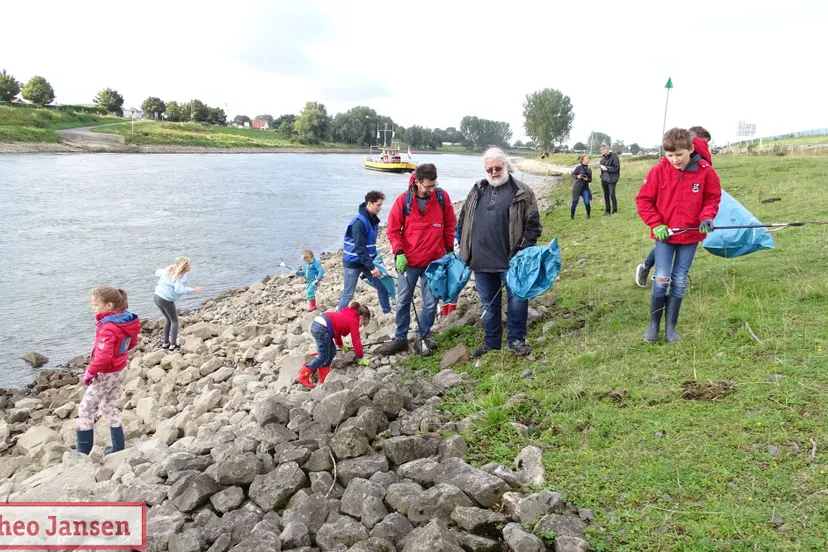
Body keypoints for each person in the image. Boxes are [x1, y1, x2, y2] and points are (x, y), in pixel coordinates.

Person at [635, 128, 721, 343]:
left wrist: (706, 217)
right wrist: (656, 224)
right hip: (665, 237)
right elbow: (643, 200)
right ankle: (653, 325)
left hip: (690, 236)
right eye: (670, 155)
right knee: (662, 277)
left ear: (691, 149)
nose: (675, 160)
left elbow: (712, 198)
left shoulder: (705, 171)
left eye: (679, 154)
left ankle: (671, 328)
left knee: (680, 279)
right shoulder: (658, 171)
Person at [457, 147, 542, 357]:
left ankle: (516, 340)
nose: (494, 172)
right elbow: (463, 220)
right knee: (488, 304)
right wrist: (461, 245)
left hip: (511, 260)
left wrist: (524, 249)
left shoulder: (522, 191)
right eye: (490, 169)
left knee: (518, 299)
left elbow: (533, 224)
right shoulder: (477, 190)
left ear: (506, 165)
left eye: (497, 167)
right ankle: (492, 343)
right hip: (480, 261)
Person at [377, 163, 457, 356]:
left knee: (430, 303)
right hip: (409, 262)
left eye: (434, 185)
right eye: (428, 186)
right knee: (403, 300)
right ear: (417, 182)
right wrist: (399, 252)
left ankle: (422, 336)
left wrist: (449, 250)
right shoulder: (403, 201)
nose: (431, 190)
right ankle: (400, 338)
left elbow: (449, 224)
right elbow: (393, 231)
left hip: (434, 261)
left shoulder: (442, 198)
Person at [635, 126, 713, 287]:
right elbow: (644, 199)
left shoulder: (703, 165)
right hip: (669, 218)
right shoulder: (670, 161)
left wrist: (706, 215)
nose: (704, 148)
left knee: (679, 244)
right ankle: (646, 267)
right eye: (704, 143)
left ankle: (679, 275)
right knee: (666, 240)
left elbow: (710, 193)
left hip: (689, 219)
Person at [76, 287, 141, 455]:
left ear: (109, 305)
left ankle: (83, 452)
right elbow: (132, 342)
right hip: (120, 369)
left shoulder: (108, 327)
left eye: (96, 305)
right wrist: (118, 355)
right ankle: (118, 447)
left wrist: (90, 372)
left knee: (85, 409)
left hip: (107, 373)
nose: (93, 308)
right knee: (108, 407)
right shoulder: (125, 321)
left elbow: (104, 357)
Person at [338, 191, 392, 314]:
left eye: (381, 205)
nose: (380, 208)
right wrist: (372, 268)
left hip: (366, 261)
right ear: (369, 203)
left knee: (382, 284)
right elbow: (359, 249)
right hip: (352, 263)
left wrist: (374, 261)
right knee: (348, 292)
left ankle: (387, 311)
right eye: (378, 205)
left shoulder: (372, 220)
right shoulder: (359, 223)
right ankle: (338, 317)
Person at [296, 301, 371, 389]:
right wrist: (360, 357)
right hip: (322, 328)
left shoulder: (348, 314)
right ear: (362, 318)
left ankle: (324, 377)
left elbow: (337, 331)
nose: (361, 326)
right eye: (363, 324)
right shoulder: (354, 320)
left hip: (319, 324)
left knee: (332, 351)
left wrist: (341, 345)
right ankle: (303, 375)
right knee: (323, 356)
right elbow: (356, 340)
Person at [154, 257, 204, 351]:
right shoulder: (181, 275)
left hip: (157, 296)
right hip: (165, 299)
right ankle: (173, 345)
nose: (190, 267)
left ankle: (165, 343)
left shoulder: (170, 269)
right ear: (184, 266)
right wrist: (193, 289)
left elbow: (157, 273)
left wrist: (163, 269)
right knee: (174, 321)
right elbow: (179, 289)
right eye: (189, 265)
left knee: (168, 319)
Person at [599, 143, 621, 215]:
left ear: (607, 149)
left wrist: (607, 169)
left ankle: (614, 211)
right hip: (604, 179)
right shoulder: (602, 160)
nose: (602, 150)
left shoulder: (614, 157)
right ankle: (607, 211)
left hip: (612, 179)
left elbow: (616, 168)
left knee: (612, 194)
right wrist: (602, 177)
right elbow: (602, 171)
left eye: (603, 149)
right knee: (606, 195)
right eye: (601, 149)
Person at [570, 155, 593, 220]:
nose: (587, 159)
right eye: (586, 158)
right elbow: (572, 175)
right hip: (577, 188)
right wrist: (578, 176)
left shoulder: (589, 169)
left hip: (585, 188)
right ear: (582, 160)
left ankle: (588, 215)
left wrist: (587, 179)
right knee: (575, 202)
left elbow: (590, 180)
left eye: (588, 158)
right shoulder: (578, 167)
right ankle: (572, 217)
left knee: (587, 202)